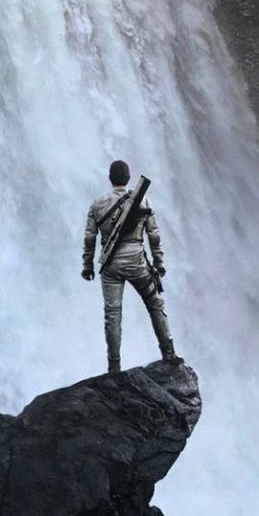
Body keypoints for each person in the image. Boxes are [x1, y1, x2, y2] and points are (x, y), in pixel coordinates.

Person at [82, 159, 182, 374]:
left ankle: (114, 366)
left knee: (112, 314)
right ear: (127, 179)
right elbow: (154, 236)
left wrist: (87, 265)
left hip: (110, 266)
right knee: (155, 304)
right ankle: (169, 352)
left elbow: (89, 238)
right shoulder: (143, 201)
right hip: (137, 263)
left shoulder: (98, 204)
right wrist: (159, 263)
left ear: (110, 179)